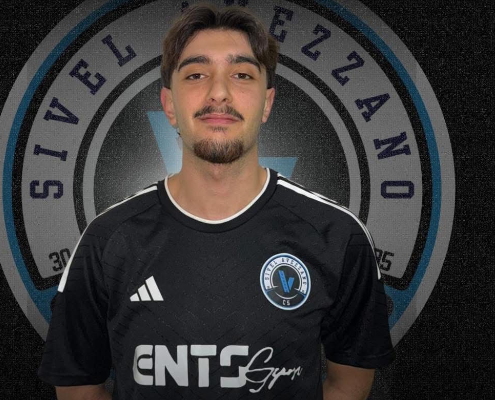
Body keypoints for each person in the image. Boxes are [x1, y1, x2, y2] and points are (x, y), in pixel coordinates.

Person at [38, 4, 395, 399]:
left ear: (267, 103)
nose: (219, 92)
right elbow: (77, 389)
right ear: (169, 105)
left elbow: (349, 384)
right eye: (196, 75)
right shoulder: (107, 240)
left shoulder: (338, 235)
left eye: (241, 75)